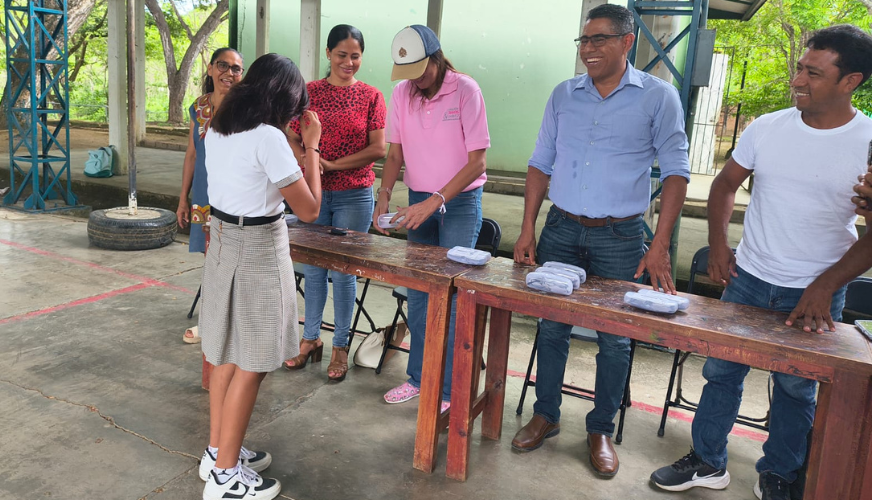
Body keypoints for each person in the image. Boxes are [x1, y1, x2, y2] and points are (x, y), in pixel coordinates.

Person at [650, 25, 872, 500]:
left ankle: (780, 473)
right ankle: (708, 461)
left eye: (813, 72)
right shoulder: (768, 126)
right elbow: (724, 184)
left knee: (797, 388)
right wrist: (719, 245)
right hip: (749, 278)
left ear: (850, 81)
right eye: (799, 67)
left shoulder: (869, 142)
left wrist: (824, 284)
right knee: (721, 373)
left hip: (815, 291)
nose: (798, 79)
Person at [510, 4, 690, 477]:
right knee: (551, 326)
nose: (588, 50)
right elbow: (540, 161)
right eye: (583, 41)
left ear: (627, 42)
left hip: (621, 235)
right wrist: (528, 226)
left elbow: (676, 173)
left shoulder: (659, 97)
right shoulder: (564, 94)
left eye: (599, 40)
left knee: (615, 338)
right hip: (562, 227)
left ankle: (600, 427)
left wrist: (660, 246)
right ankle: (546, 414)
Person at [198, 53, 323, 500]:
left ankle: (218, 454)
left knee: (227, 355)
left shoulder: (217, 127)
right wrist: (311, 144)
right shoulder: (268, 136)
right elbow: (309, 210)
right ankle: (225, 480)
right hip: (258, 250)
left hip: (223, 239)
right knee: (252, 364)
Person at [372, 25, 490, 412]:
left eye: (422, 71)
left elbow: (477, 163)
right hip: (418, 200)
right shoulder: (402, 93)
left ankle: (448, 391)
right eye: (408, 74)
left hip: (458, 202)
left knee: (452, 297)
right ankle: (419, 378)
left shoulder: (465, 90)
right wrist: (384, 197)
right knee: (420, 294)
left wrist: (436, 200)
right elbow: (394, 156)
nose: (416, 81)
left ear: (437, 59)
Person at [283, 24, 387, 381]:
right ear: (328, 54)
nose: (349, 62)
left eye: (355, 56)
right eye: (342, 55)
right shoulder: (309, 93)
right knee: (313, 270)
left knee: (344, 273)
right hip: (314, 192)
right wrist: (307, 159)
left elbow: (378, 148)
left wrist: (331, 164)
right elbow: (291, 134)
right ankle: (310, 339)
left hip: (354, 192)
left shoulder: (372, 96)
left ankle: (341, 344)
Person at [176, 47, 244, 344]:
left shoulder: (246, 108)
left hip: (235, 196)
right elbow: (192, 154)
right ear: (210, 69)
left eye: (236, 68)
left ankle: (227, 322)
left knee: (234, 261)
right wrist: (183, 198)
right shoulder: (199, 106)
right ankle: (212, 320)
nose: (229, 73)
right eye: (222, 65)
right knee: (211, 260)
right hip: (203, 196)